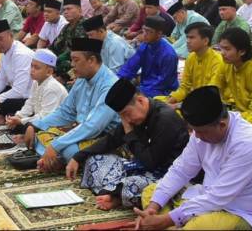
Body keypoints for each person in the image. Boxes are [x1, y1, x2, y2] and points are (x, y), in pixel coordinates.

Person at [135, 86, 252, 230]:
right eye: (193, 130)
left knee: (198, 226)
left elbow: (218, 197)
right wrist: (153, 208)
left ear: (222, 125)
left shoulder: (247, 144)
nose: (195, 136)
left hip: (245, 214)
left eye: (200, 132)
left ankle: (165, 225)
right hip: (209, 198)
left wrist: (166, 220)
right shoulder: (201, 134)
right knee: (152, 193)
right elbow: (181, 171)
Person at [69, 79, 189, 211]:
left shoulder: (165, 120)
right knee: (94, 160)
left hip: (166, 174)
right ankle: (117, 193)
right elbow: (111, 140)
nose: (126, 120)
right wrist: (77, 157)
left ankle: (116, 196)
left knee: (136, 185)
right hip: (140, 168)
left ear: (140, 101)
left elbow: (150, 162)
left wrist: (130, 134)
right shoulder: (135, 117)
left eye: (126, 114)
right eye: (122, 116)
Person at [26, 38, 119, 170]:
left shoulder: (110, 85)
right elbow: (65, 111)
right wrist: (35, 125)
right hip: (80, 130)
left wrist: (56, 145)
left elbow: (94, 126)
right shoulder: (82, 78)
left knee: (70, 151)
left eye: (76, 60)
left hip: (104, 137)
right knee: (39, 135)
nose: (72, 65)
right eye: (72, 60)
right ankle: (54, 159)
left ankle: (55, 159)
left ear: (91, 60)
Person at [213, 28, 252, 114]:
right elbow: (214, 89)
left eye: (227, 49)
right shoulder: (227, 63)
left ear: (242, 51)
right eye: (221, 48)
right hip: (238, 115)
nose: (222, 53)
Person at [5, 49, 68, 133]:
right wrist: (19, 116)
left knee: (27, 127)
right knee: (15, 120)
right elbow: (30, 103)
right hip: (41, 120)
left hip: (56, 126)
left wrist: (21, 121)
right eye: (32, 66)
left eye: (37, 68)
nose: (32, 70)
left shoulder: (52, 87)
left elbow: (46, 117)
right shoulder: (36, 82)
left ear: (49, 71)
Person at [164, 23, 223, 108]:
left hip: (209, 105)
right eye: (187, 37)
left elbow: (211, 94)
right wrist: (169, 102)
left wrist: (178, 105)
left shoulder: (217, 61)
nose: (187, 41)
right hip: (193, 101)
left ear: (205, 41)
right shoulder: (191, 57)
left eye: (192, 37)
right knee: (158, 101)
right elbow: (185, 87)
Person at [118, 16, 179, 97]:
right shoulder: (145, 46)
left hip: (162, 90)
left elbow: (163, 83)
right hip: (145, 85)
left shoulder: (169, 55)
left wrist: (141, 91)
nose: (144, 34)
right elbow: (130, 66)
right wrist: (118, 80)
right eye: (144, 30)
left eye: (149, 31)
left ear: (159, 34)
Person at [49, 0, 87, 81]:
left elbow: (80, 57)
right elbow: (54, 46)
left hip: (77, 68)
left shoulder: (85, 26)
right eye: (64, 10)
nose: (65, 12)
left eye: (69, 9)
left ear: (80, 10)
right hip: (60, 65)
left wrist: (63, 77)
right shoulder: (67, 27)